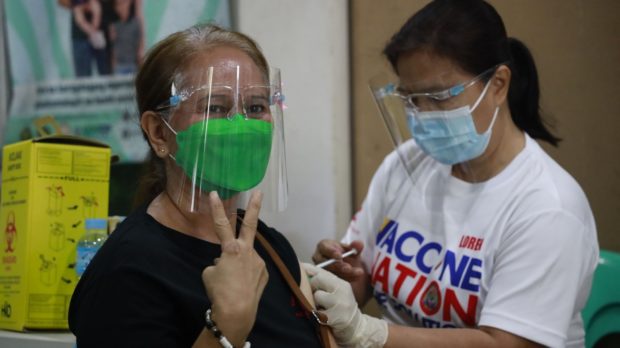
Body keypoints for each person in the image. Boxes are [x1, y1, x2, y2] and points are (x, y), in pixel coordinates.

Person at [309, 0, 599, 347]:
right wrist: (348, 280)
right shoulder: (407, 164)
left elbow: (504, 344)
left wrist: (371, 333)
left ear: (498, 85)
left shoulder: (549, 208)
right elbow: (365, 273)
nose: (425, 114)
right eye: (412, 99)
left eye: (440, 96)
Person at [69, 24, 327, 347]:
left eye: (256, 107)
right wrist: (226, 325)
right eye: (215, 108)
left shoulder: (270, 247)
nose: (241, 125)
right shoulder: (127, 273)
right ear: (159, 133)